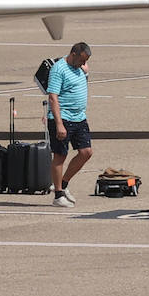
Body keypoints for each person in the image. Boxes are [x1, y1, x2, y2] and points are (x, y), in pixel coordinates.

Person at [46, 41, 93, 208]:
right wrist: (59, 123)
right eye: (81, 60)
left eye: (85, 61)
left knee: (86, 152)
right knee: (60, 156)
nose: (83, 64)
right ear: (73, 54)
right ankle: (58, 196)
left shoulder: (80, 67)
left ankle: (63, 185)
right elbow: (53, 97)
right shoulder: (59, 70)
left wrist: (85, 73)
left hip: (79, 118)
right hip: (63, 118)